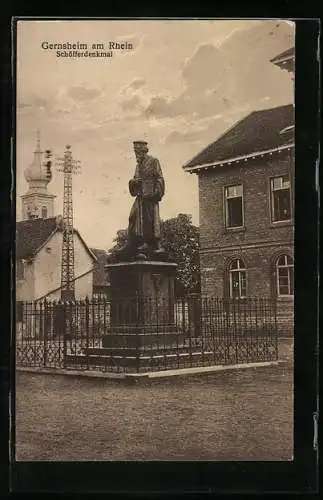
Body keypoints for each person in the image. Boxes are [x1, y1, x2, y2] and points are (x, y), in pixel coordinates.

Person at [115, 141, 167, 261]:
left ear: (144, 151)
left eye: (138, 152)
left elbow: (159, 178)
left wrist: (156, 193)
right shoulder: (138, 166)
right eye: (135, 152)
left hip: (150, 197)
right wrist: (133, 182)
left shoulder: (153, 161)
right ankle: (133, 243)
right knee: (133, 217)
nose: (136, 155)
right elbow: (134, 179)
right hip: (140, 197)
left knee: (149, 220)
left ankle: (147, 243)